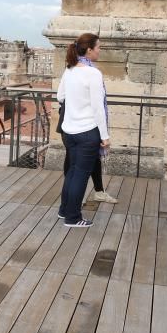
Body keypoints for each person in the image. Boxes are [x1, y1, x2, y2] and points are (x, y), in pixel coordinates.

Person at [57, 33, 110, 228]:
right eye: (98, 47)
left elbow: (60, 96)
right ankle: (73, 217)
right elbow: (98, 108)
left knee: (72, 172)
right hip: (88, 131)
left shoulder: (70, 69)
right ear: (89, 50)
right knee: (80, 175)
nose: (99, 50)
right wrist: (105, 136)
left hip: (69, 131)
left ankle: (64, 210)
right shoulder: (93, 73)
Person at [57, 104, 118, 205]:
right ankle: (74, 199)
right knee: (73, 162)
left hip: (84, 124)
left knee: (94, 158)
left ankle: (98, 192)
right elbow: (97, 108)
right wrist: (104, 136)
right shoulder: (90, 87)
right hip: (76, 124)